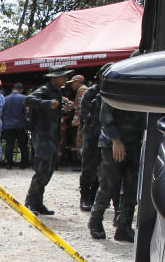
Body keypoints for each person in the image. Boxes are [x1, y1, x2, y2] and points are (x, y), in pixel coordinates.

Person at [88, 98, 145, 241]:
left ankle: (124, 227)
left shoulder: (144, 92)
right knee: (109, 184)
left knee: (131, 188)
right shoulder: (117, 89)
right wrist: (116, 141)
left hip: (135, 145)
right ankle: (95, 221)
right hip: (112, 144)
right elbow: (106, 118)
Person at [24, 67, 74, 215]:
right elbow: (28, 100)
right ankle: (30, 202)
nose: (66, 79)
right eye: (63, 76)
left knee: (49, 171)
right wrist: (47, 103)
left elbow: (53, 112)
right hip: (42, 137)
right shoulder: (45, 90)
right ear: (54, 77)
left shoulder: (57, 92)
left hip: (53, 137)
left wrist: (64, 108)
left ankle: (38, 202)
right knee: (41, 171)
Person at [78, 66, 110, 211]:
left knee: (102, 169)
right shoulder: (91, 92)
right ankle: (85, 197)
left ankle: (94, 196)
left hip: (106, 136)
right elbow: (83, 114)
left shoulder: (111, 93)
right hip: (91, 135)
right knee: (88, 168)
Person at [1, 82, 29, 168]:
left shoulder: (5, 99)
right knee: (23, 145)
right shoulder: (24, 98)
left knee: (9, 144)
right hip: (21, 125)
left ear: (13, 89)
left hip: (8, 125)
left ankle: (8, 164)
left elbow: (2, 113)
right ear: (21, 90)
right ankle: (23, 164)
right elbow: (27, 112)